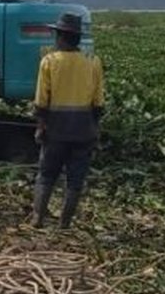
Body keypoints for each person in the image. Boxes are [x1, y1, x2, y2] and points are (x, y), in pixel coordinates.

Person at [31, 13, 104, 229]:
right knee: (75, 181)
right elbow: (98, 102)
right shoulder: (93, 62)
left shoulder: (49, 61)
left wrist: (40, 126)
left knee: (46, 176)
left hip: (56, 128)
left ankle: (38, 219)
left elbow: (41, 101)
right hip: (84, 129)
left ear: (61, 36)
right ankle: (64, 224)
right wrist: (95, 128)